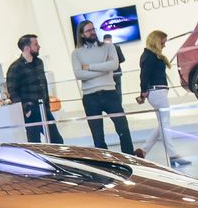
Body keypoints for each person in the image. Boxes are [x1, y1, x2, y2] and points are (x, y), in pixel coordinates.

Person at [72, 20, 136, 154]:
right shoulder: (76, 53)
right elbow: (79, 74)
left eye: (93, 29)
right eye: (88, 30)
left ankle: (130, 158)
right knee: (98, 136)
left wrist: (89, 67)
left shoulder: (109, 47)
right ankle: (104, 162)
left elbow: (114, 65)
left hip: (110, 93)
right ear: (82, 34)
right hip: (90, 97)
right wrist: (104, 69)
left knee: (123, 128)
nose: (92, 32)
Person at [136, 30, 190, 168]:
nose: (164, 45)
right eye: (163, 42)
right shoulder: (149, 56)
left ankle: (143, 150)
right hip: (157, 93)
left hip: (158, 92)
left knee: (162, 124)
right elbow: (144, 75)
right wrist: (143, 92)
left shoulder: (151, 55)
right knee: (165, 124)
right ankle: (173, 155)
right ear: (156, 41)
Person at [6, 34, 64, 144]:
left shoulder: (39, 62)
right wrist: (26, 110)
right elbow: (12, 91)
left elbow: (43, 84)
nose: (39, 47)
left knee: (56, 140)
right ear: (27, 48)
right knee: (34, 142)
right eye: (36, 44)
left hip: (43, 108)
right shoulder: (15, 68)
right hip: (30, 110)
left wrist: (47, 104)